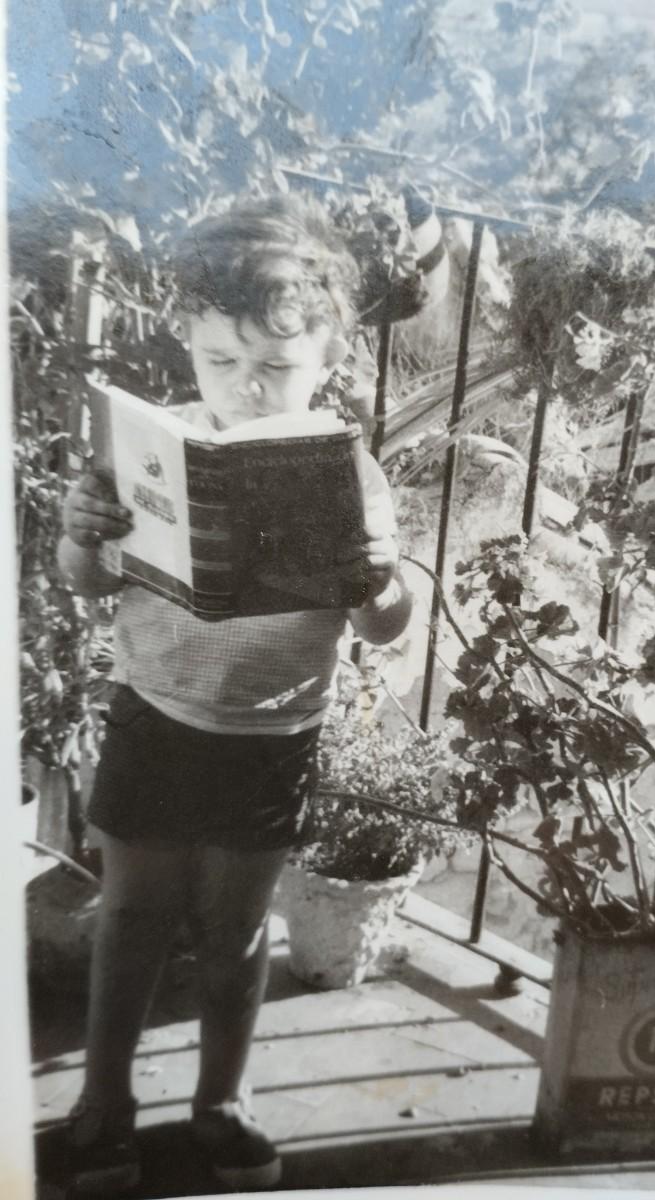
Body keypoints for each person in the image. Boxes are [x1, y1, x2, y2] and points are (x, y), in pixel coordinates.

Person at [58, 194, 413, 1195]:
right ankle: (104, 1103)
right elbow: (88, 585)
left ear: (330, 355)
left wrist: (378, 581)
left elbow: (386, 626)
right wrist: (83, 535)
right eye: (221, 361)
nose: (246, 389)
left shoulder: (347, 473)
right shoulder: (153, 447)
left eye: (275, 367)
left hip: (270, 734)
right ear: (187, 338)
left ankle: (221, 1101)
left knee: (236, 930)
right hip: (155, 714)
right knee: (131, 917)